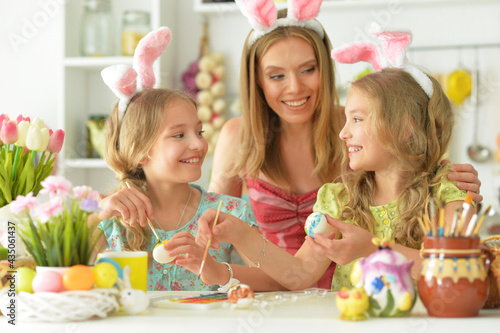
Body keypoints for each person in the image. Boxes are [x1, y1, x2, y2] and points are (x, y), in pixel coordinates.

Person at [209, 2, 482, 289]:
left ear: (403, 128)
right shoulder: (339, 198)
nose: (343, 133)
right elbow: (299, 275)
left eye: (357, 119)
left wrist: (374, 249)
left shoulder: (443, 190)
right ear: (257, 82)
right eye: (277, 75)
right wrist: (237, 238)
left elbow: (457, 268)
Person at [96, 27, 283, 292]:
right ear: (139, 150)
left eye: (199, 132)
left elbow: (276, 282)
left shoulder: (229, 213)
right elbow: (57, 273)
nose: (198, 144)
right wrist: (98, 216)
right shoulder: (110, 217)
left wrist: (217, 271)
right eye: (179, 135)